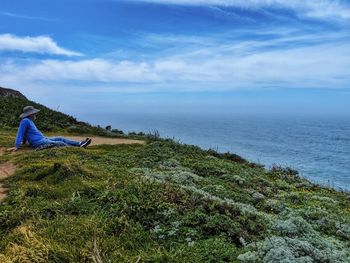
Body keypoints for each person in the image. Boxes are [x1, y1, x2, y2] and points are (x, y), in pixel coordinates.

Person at [9, 106, 92, 151]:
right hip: (39, 142)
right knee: (60, 143)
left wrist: (24, 142)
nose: (35, 114)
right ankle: (76, 149)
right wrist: (17, 146)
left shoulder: (29, 121)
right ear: (30, 114)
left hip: (43, 139)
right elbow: (20, 132)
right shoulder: (25, 121)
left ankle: (80, 143)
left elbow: (25, 133)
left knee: (60, 138)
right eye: (34, 113)